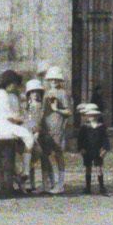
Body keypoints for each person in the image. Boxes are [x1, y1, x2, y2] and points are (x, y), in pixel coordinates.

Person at [0, 69, 35, 192]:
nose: (15, 86)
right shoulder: (1, 94)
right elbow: (9, 116)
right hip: (4, 126)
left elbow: (18, 113)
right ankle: (24, 174)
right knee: (27, 138)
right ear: (8, 83)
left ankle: (23, 177)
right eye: (13, 84)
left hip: (12, 125)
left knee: (30, 145)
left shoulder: (13, 96)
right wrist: (20, 120)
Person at [37, 66, 71, 195]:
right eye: (51, 79)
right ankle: (46, 183)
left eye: (56, 80)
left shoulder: (63, 93)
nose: (54, 82)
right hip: (46, 126)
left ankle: (60, 183)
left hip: (57, 126)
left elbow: (68, 112)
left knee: (57, 154)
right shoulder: (46, 92)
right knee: (44, 154)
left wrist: (56, 109)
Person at [77, 102, 110, 193]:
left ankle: (101, 187)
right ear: (87, 116)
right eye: (90, 115)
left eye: (94, 115)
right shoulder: (84, 127)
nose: (92, 117)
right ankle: (88, 187)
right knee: (88, 168)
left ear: (97, 116)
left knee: (98, 167)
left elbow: (105, 138)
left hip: (98, 150)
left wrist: (105, 148)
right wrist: (81, 148)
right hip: (87, 150)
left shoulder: (101, 127)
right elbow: (80, 139)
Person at [21, 77, 46, 192]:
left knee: (39, 156)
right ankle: (30, 183)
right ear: (29, 94)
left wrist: (38, 131)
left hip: (38, 133)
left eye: (37, 92)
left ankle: (43, 183)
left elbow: (41, 121)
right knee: (29, 158)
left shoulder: (41, 107)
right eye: (32, 92)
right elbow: (25, 120)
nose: (35, 95)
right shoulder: (27, 107)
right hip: (28, 133)